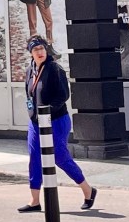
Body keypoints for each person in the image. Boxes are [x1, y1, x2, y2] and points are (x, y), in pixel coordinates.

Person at [18, 36, 97, 212]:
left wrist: (47, 112)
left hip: (56, 120)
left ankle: (88, 190)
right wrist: (32, 114)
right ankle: (34, 200)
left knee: (60, 157)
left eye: (42, 48)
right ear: (30, 53)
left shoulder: (55, 69)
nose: (39, 52)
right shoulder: (30, 70)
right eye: (35, 49)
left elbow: (63, 96)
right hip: (36, 122)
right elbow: (30, 95)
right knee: (34, 157)